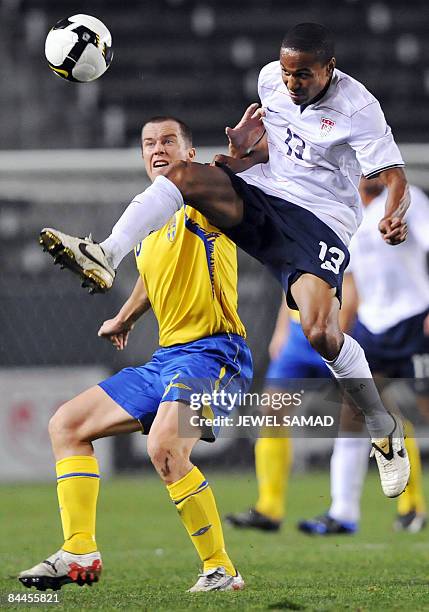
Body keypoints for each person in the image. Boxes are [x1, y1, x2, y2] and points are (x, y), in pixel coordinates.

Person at [40, 23, 411, 497]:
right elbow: (272, 151)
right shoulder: (269, 81)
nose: (292, 82)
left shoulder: (359, 108)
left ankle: (382, 426)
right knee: (184, 175)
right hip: (265, 194)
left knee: (321, 331)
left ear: (329, 70)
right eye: (286, 71)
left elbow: (394, 175)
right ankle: (105, 252)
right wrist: (243, 151)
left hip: (321, 220)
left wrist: (393, 215)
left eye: (303, 75)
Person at [20, 117, 253, 593]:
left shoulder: (203, 203)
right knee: (66, 424)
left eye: (168, 141)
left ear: (188, 154)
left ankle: (221, 570)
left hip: (215, 354)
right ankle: (79, 549)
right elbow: (152, 279)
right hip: (168, 359)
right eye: (149, 143)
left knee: (164, 448)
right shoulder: (149, 229)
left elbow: (236, 180)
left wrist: (239, 153)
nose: (157, 149)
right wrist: (125, 318)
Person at [299, 178, 429, 534]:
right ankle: (343, 512)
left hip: (416, 319)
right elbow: (352, 283)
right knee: (354, 414)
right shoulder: (347, 214)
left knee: (420, 413)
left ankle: (413, 506)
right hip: (373, 327)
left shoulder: (406, 197)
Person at [225, 302, 330, 532]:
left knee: (375, 409)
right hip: (298, 335)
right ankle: (269, 508)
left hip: (339, 329)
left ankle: (410, 504)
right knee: (271, 412)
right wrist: (282, 329)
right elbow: (290, 284)